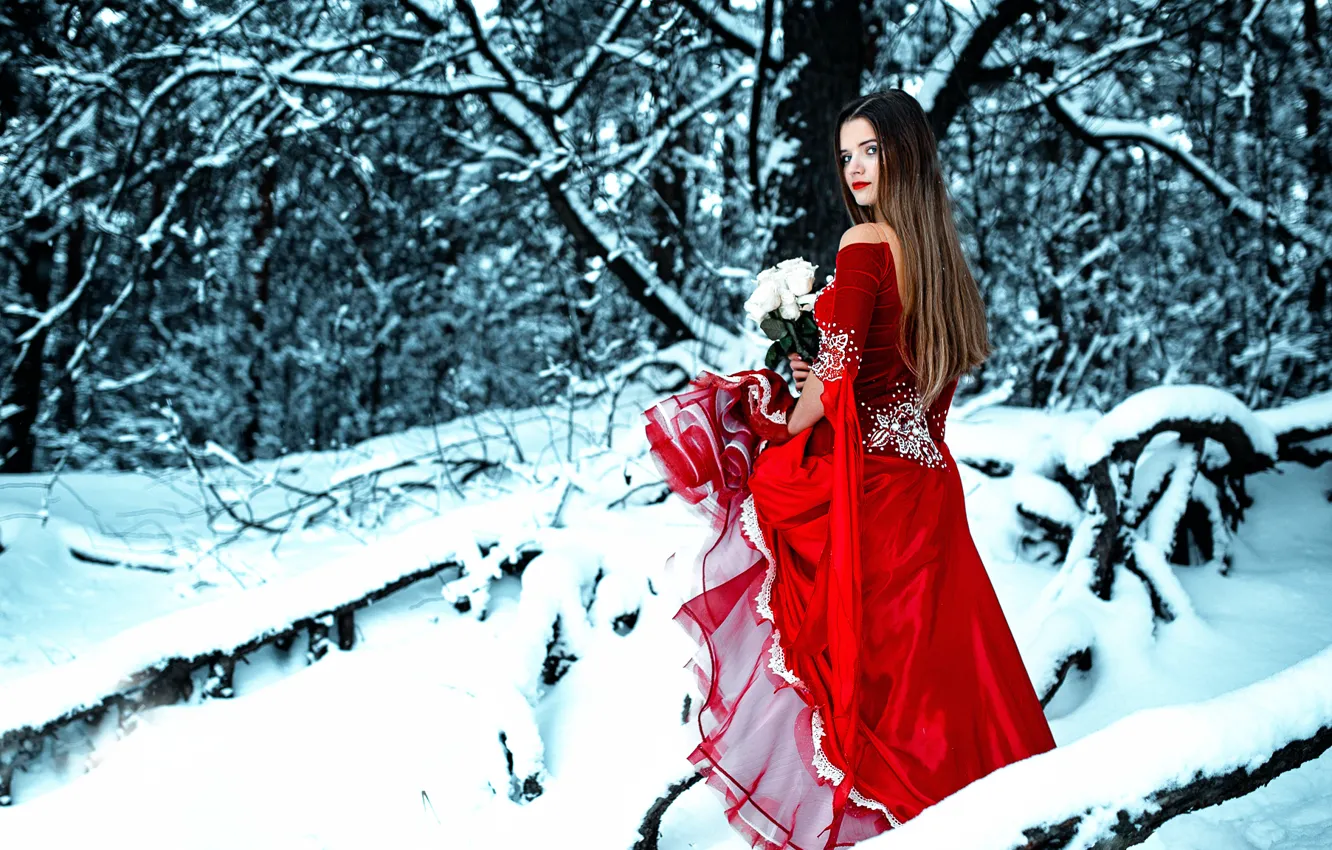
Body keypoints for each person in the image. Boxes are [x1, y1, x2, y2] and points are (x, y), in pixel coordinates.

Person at [642, 89, 1058, 848]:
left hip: (868, 493)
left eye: (872, 150)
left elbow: (834, 388)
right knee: (945, 687)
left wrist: (769, 415)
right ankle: (999, 826)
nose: (857, 168)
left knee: (871, 694)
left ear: (907, 155)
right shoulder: (941, 260)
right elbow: (908, 391)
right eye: (847, 154)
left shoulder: (864, 246)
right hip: (929, 491)